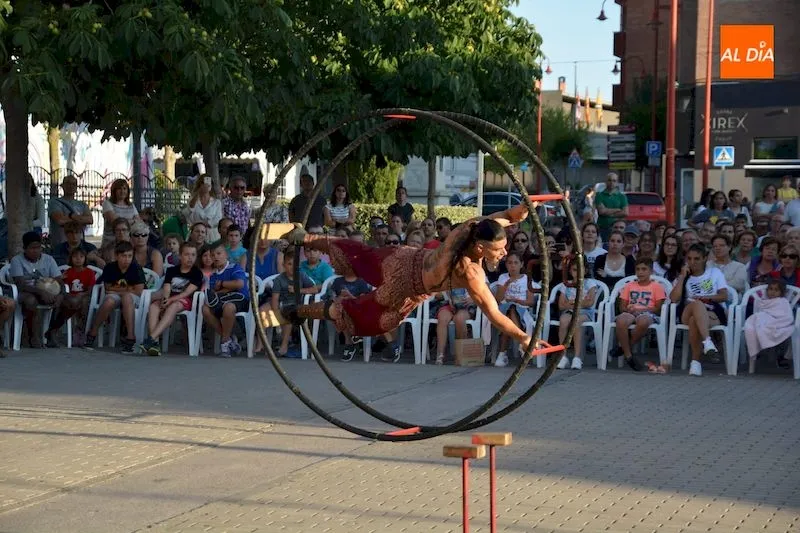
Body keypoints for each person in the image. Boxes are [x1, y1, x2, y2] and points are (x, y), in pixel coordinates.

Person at [277, 204, 540, 359]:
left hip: (401, 258)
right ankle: (300, 309)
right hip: (402, 287)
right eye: (500, 249)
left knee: (361, 255)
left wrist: (521, 211)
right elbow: (493, 313)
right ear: (481, 249)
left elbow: (505, 215)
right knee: (367, 318)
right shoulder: (470, 272)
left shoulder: (473, 228)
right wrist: (522, 336)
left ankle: (305, 241)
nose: (505, 253)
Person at [669, 244, 729, 376]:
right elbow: (673, 298)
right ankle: (707, 341)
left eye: (696, 259)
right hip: (687, 310)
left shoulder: (714, 273)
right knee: (696, 304)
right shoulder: (684, 276)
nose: (692, 262)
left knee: (694, 320)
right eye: (689, 259)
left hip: (712, 312)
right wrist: (682, 277)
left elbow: (724, 296)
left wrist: (706, 297)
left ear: (705, 259)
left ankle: (695, 363)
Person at [10, 231, 74, 348]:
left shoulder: (48, 259)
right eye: (32, 248)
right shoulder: (17, 261)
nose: (36, 250)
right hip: (27, 292)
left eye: (38, 247)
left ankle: (52, 331)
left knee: (71, 303)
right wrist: (40, 292)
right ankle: (32, 335)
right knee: (30, 301)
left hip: (49, 292)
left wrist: (61, 294)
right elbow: (20, 284)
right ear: (24, 248)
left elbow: (59, 280)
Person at [140, 242, 203, 356]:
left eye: (193, 255)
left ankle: (151, 339)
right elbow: (167, 287)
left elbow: (187, 292)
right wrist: (165, 299)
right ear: (180, 256)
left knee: (173, 306)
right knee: (154, 306)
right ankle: (155, 344)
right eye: (187, 254)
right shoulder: (172, 271)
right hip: (170, 297)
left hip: (185, 300)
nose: (190, 258)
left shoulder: (197, 273)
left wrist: (170, 300)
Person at [84, 241, 146, 353]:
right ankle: (92, 333)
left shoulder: (136, 268)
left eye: (129, 256)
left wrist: (119, 290)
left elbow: (138, 291)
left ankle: (130, 337)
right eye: (123, 256)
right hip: (115, 295)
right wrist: (128, 289)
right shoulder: (110, 268)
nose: (127, 259)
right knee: (109, 301)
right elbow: (108, 288)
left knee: (127, 298)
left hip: (133, 298)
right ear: (117, 256)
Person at [611, 258, 667, 372]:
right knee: (621, 320)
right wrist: (629, 309)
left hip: (648, 312)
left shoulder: (657, 286)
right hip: (631, 311)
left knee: (643, 322)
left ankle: (623, 348)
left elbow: (657, 308)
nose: (640, 272)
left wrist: (643, 310)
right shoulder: (629, 285)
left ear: (651, 271)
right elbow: (622, 307)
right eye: (638, 269)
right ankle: (628, 356)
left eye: (644, 269)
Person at [258, 249, 317, 358]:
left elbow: (315, 289)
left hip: (297, 305)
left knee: (290, 315)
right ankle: (262, 343)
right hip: (281, 304)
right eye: (289, 264)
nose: (292, 267)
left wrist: (298, 290)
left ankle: (283, 346)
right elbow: (275, 298)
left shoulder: (302, 276)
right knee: (262, 310)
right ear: (284, 265)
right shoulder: (279, 279)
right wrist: (276, 314)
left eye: (295, 264)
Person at [201, 243, 250, 357]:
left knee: (228, 307)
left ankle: (224, 343)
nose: (216, 257)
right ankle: (229, 339)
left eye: (219, 253)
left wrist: (223, 284)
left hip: (241, 300)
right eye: (213, 255)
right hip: (222, 301)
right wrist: (227, 288)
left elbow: (239, 284)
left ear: (226, 255)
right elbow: (214, 293)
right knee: (205, 309)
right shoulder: (213, 276)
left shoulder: (235, 267)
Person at [492, 252, 536, 368]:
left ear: (521, 264)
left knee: (511, 312)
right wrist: (506, 285)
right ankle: (522, 343)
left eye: (516, 263)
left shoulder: (527, 279)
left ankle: (502, 354)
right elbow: (498, 299)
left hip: (522, 309)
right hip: (503, 309)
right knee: (510, 310)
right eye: (510, 263)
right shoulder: (503, 278)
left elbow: (531, 302)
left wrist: (517, 300)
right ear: (506, 265)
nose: (513, 266)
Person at [555, 257, 597, 370]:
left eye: (580, 269)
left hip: (585, 313)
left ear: (585, 270)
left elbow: (589, 303)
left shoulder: (590, 283)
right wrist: (579, 303)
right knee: (563, 320)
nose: (577, 272)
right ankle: (562, 356)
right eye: (574, 269)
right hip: (569, 311)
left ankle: (577, 357)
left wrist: (572, 302)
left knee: (576, 321)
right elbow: (561, 305)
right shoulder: (566, 284)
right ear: (570, 271)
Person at [744, 279, 794, 372]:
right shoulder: (763, 301)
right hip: (765, 321)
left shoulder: (783, 302)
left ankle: (781, 357)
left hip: (779, 323)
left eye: (776, 290)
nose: (773, 292)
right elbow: (761, 313)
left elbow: (786, 316)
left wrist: (776, 322)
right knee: (755, 325)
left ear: (781, 292)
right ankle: (757, 350)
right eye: (770, 289)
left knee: (782, 331)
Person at [62, 247, 97, 347]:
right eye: (75, 256)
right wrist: (60, 279)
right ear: (71, 258)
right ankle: (74, 331)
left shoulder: (89, 272)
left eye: (81, 256)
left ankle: (80, 330)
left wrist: (82, 294)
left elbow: (91, 289)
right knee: (72, 302)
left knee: (84, 302)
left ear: (85, 258)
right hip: (70, 297)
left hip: (85, 296)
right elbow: (64, 287)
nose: (78, 259)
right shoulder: (68, 272)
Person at [48, 175, 93, 249]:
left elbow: (90, 220)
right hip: (59, 246)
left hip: (79, 248)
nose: (71, 186)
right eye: (68, 183)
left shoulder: (82, 204)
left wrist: (70, 217)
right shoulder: (54, 202)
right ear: (62, 186)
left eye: (73, 184)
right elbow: (60, 220)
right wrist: (79, 218)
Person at [184, 174, 223, 242]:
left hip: (212, 236)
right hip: (195, 235)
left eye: (208, 182)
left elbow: (218, 219)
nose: (206, 184)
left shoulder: (216, 202)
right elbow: (188, 211)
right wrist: (198, 192)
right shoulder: (193, 200)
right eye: (203, 182)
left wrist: (203, 224)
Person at [101, 179, 139, 247]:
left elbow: (139, 222)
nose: (122, 191)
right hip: (110, 243)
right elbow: (117, 222)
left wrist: (126, 220)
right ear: (114, 191)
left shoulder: (131, 205)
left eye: (124, 189)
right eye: (119, 189)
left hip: (128, 243)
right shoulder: (107, 203)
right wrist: (133, 221)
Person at [595, 173, 628, 240]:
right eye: (609, 180)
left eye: (614, 180)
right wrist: (617, 209)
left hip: (617, 229)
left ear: (617, 182)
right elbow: (601, 211)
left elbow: (625, 213)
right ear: (606, 182)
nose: (611, 183)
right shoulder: (599, 195)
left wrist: (608, 213)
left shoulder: (622, 196)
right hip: (603, 228)